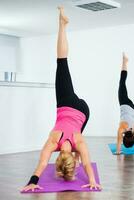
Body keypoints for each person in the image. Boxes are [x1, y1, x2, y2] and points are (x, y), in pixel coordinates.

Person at [22, 7, 101, 192]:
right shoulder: (52, 142)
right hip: (67, 104)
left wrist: (92, 180)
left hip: (84, 113)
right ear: (57, 160)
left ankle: (62, 25)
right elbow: (41, 165)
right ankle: (62, 25)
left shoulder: (79, 142)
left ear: (73, 160)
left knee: (81, 145)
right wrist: (32, 181)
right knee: (62, 61)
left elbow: (88, 165)